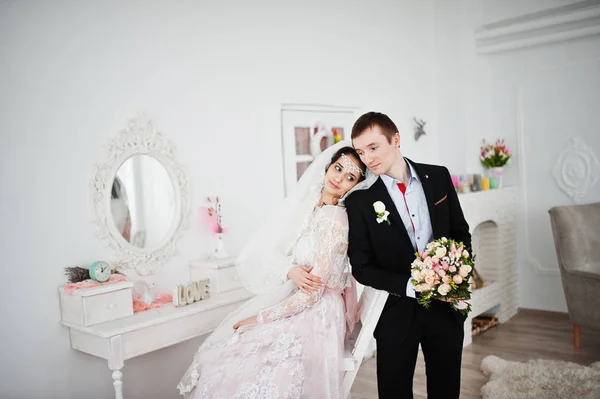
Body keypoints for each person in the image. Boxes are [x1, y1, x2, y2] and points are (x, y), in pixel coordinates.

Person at [177, 142, 370, 398]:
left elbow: (312, 294)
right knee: (229, 355)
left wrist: (257, 319)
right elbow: (289, 258)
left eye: (350, 177)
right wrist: (291, 270)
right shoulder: (315, 210)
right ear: (326, 168)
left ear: (354, 187)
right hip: (303, 304)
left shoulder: (334, 218)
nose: (339, 178)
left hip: (317, 313)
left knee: (244, 356)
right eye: (337, 168)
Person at [345, 112, 471, 399]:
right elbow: (361, 267)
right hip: (394, 312)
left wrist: (455, 277)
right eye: (361, 152)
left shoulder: (438, 176)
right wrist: (413, 286)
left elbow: (461, 234)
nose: (368, 159)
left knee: (446, 389)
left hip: (446, 308)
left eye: (373, 148)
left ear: (396, 139)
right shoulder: (360, 201)